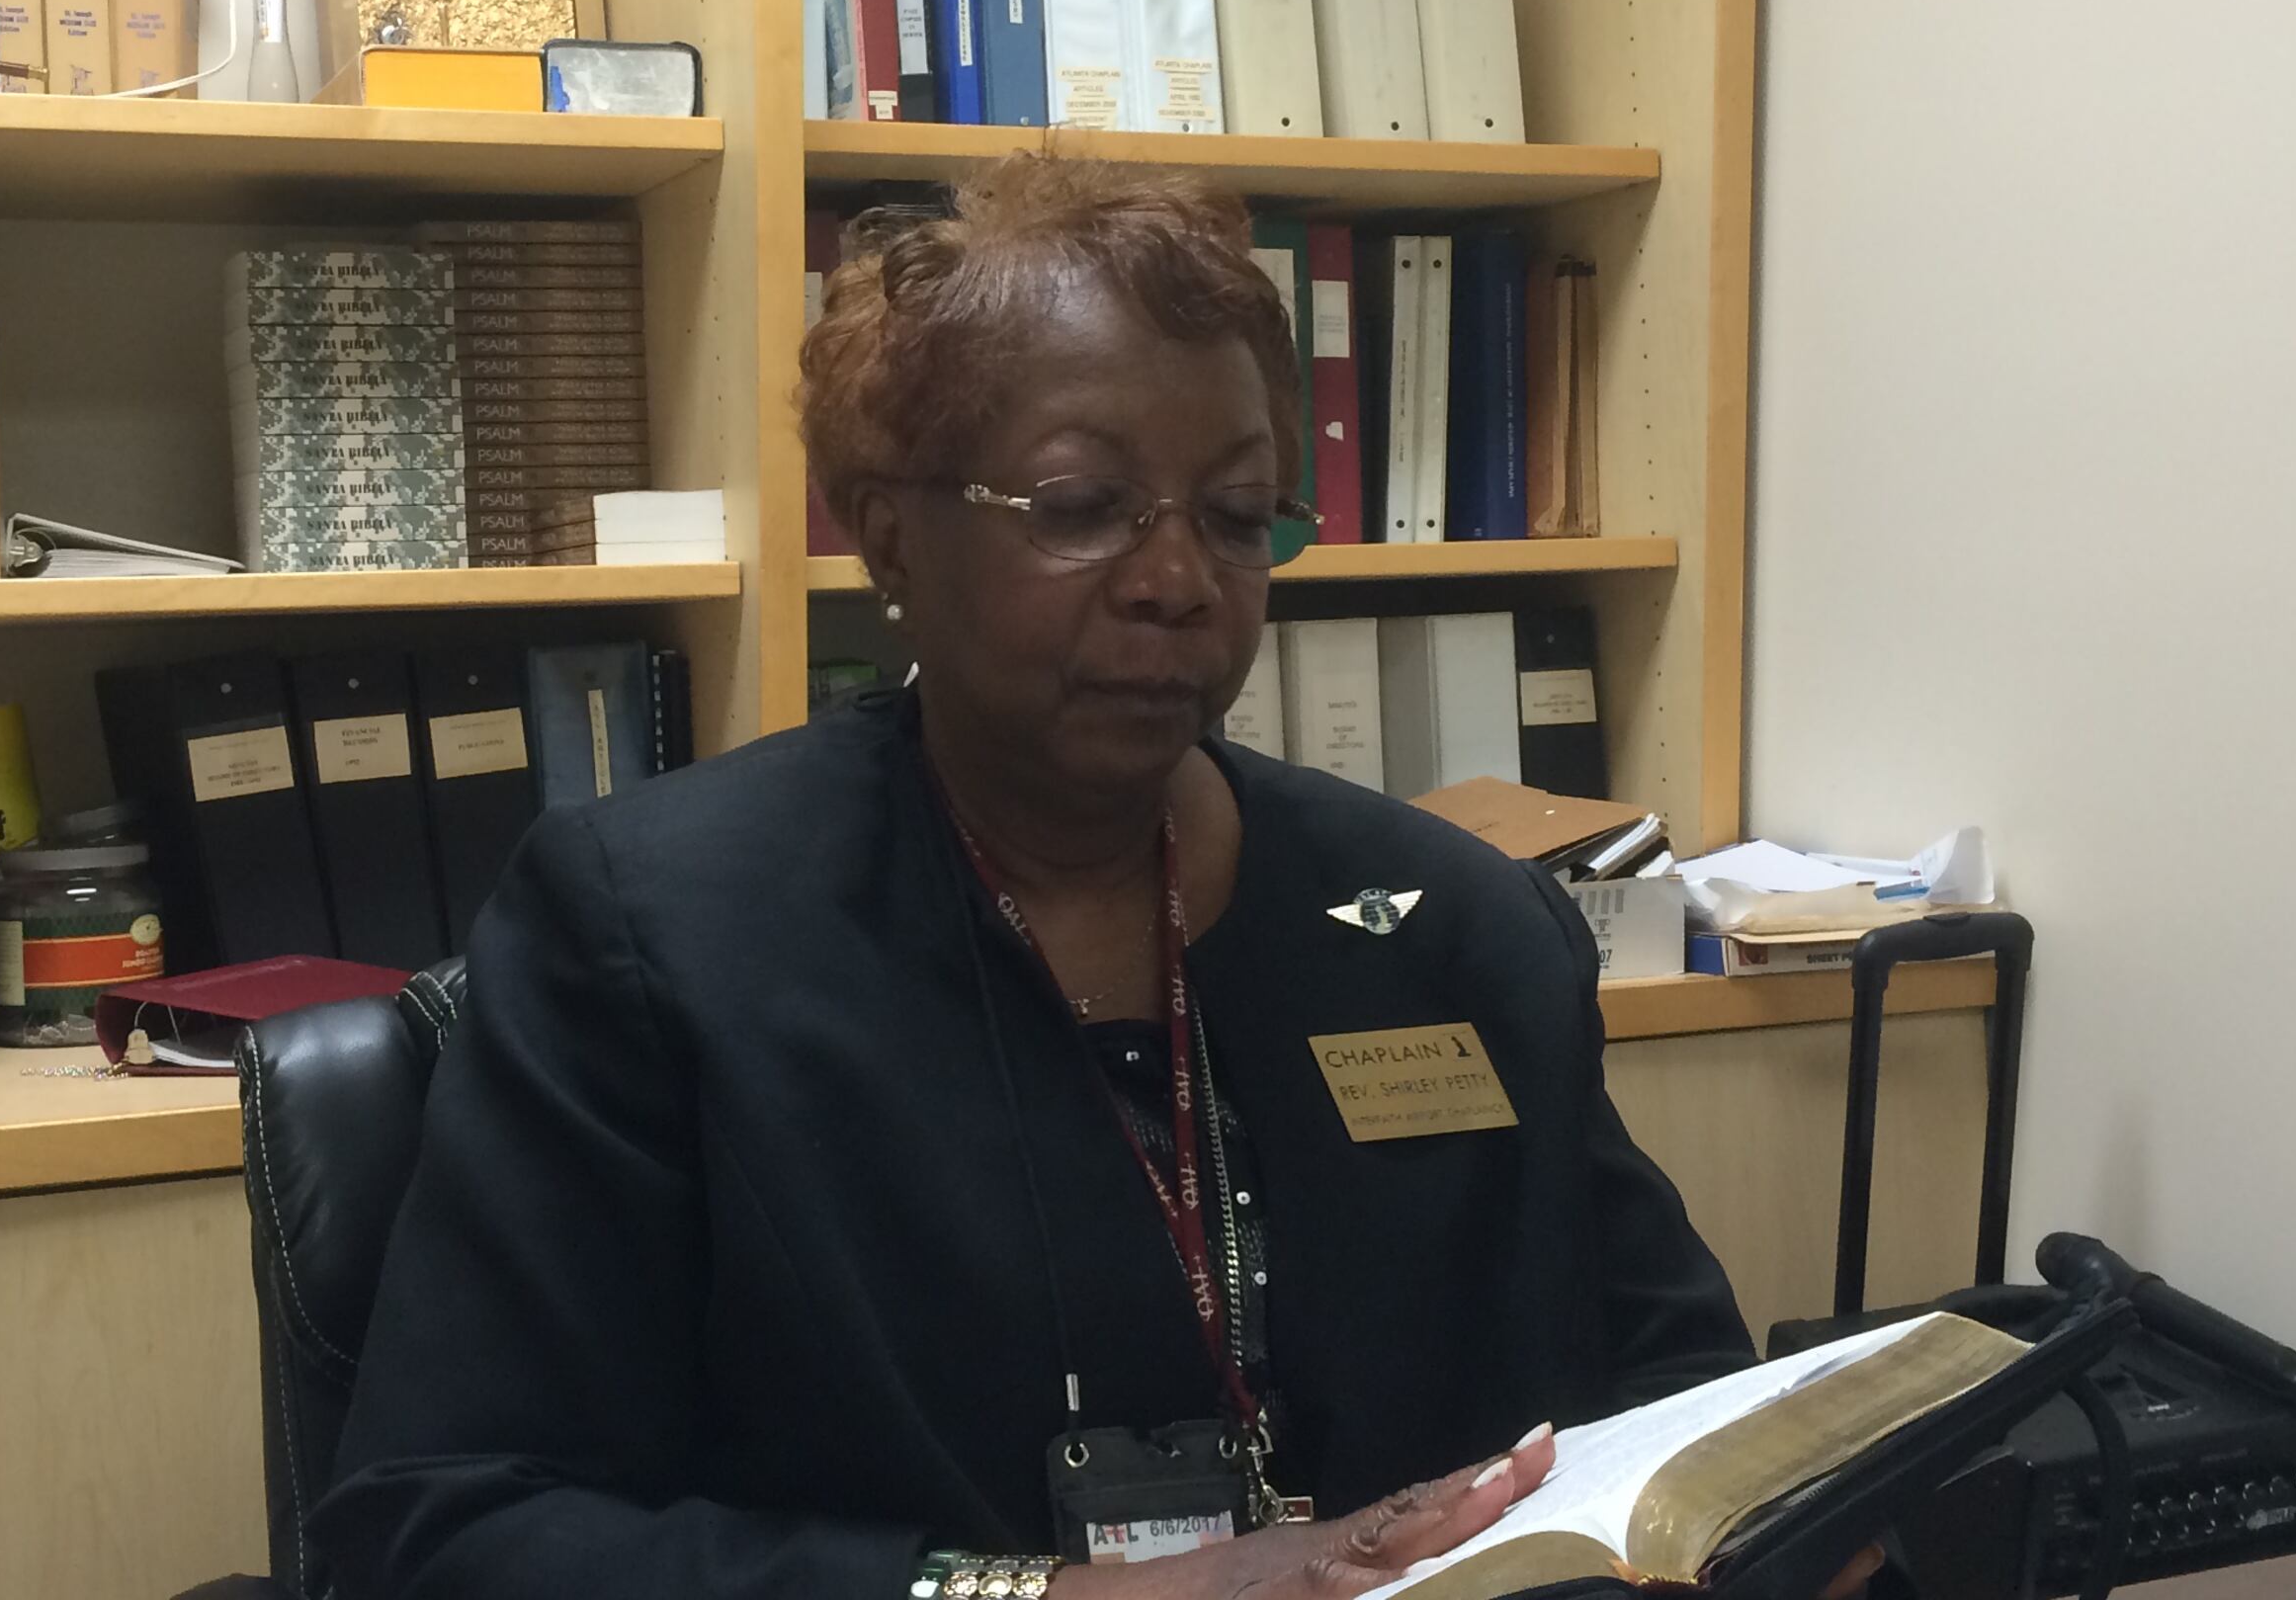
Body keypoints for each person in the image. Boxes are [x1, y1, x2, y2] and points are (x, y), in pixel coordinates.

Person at [314, 157, 1809, 1600]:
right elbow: (446, 1530)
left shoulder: (1458, 932)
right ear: (891, 533)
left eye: (1238, 516)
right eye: (1084, 506)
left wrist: (1776, 1526)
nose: (1179, 582)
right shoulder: (654, 939)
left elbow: (1679, 1406)